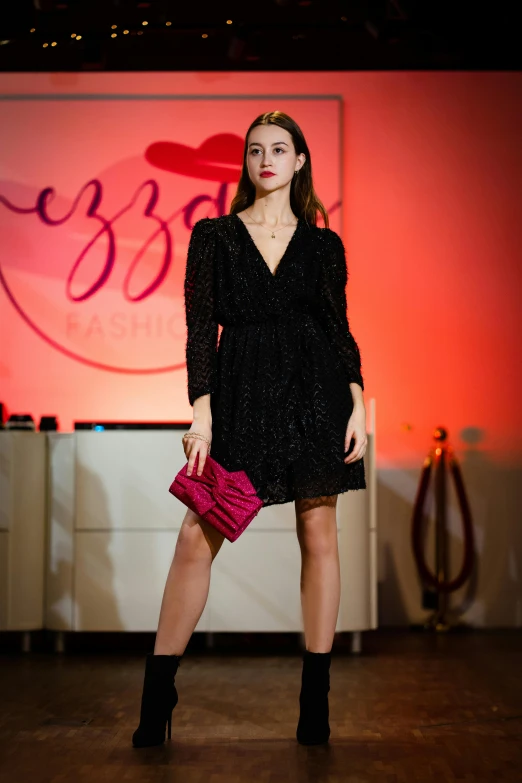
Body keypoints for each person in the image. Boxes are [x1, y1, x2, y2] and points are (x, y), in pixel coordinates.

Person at [132, 111, 367, 749]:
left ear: (299, 162)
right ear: (246, 163)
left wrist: (359, 403)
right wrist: (200, 410)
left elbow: (338, 332)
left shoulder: (324, 246)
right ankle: (159, 695)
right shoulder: (213, 236)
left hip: (315, 399)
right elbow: (198, 329)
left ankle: (314, 702)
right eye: (256, 149)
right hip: (237, 402)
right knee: (193, 538)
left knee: (320, 535)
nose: (266, 158)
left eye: (279, 149)